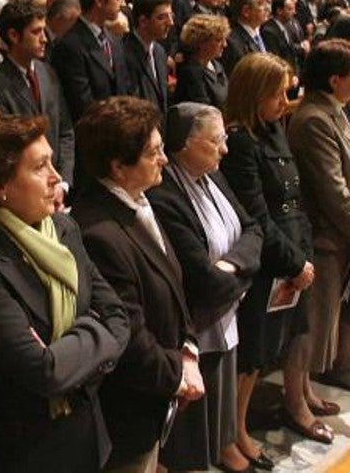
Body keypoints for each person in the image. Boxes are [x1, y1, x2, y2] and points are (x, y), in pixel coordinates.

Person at [0, 112, 129, 472]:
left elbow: (120, 318)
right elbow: (43, 371)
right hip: (25, 452)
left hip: (85, 431)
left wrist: (70, 349)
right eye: (40, 166)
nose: (56, 178)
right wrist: (94, 331)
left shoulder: (62, 228)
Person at [70, 97, 204, 472]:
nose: (164, 160)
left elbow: (175, 286)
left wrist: (189, 348)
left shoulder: (140, 200)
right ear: (118, 166)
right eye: (153, 153)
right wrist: (178, 375)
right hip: (130, 405)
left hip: (159, 389)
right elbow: (127, 330)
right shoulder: (98, 231)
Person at [147, 103, 263, 472]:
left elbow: (254, 230)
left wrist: (230, 265)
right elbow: (205, 282)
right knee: (191, 441)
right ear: (185, 145)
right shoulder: (166, 196)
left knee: (218, 420)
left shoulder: (213, 177)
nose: (225, 150)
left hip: (226, 313)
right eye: (215, 142)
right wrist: (242, 272)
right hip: (197, 326)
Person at [220, 52, 318, 457]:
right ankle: (234, 432)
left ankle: (240, 427)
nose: (284, 101)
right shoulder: (241, 141)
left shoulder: (274, 128)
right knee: (251, 354)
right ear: (254, 93)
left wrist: (302, 254)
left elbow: (293, 196)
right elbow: (256, 213)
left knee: (267, 351)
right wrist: (294, 261)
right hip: (267, 259)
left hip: (293, 250)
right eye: (276, 93)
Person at [287, 40, 350, 412]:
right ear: (334, 79)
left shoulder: (337, 111)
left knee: (324, 321)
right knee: (310, 326)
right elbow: (333, 188)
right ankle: (295, 401)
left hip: (342, 235)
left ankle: (306, 391)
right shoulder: (313, 119)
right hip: (324, 237)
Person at [0, 0, 76, 190]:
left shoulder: (48, 72)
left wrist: (63, 181)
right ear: (14, 36)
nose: (44, 39)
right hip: (26, 189)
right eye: (36, 32)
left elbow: (65, 130)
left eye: (44, 30)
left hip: (58, 184)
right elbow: (7, 149)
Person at [51, 0, 132, 118]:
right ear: (100, 0)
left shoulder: (114, 41)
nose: (123, 3)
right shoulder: (70, 46)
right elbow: (81, 105)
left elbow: (125, 90)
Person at [123, 0, 173, 114]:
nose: (170, 23)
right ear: (143, 21)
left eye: (171, 16)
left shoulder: (159, 51)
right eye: (161, 17)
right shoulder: (124, 52)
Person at [174, 13, 231, 108]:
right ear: (201, 42)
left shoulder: (217, 65)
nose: (224, 45)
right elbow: (204, 109)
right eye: (218, 40)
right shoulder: (191, 73)